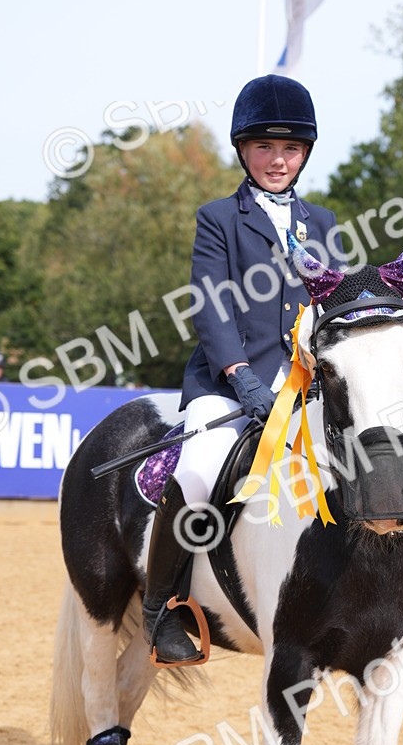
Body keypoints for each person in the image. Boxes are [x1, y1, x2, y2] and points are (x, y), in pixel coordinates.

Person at [142, 75, 339, 664]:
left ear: (305, 153)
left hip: (303, 386)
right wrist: (241, 376)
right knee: (198, 473)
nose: (277, 160)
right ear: (243, 150)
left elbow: (331, 303)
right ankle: (160, 608)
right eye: (264, 147)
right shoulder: (219, 218)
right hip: (228, 384)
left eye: (290, 148)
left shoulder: (322, 222)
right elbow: (211, 306)